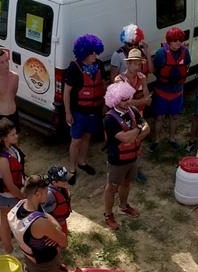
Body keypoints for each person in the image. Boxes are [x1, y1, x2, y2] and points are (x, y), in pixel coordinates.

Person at [102, 81, 149, 231]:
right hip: (117, 160)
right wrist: (139, 129)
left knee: (127, 183)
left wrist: (136, 134)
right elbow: (126, 138)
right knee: (111, 187)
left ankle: (123, 206)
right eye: (123, 99)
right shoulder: (109, 119)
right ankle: (108, 214)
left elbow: (147, 129)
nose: (128, 101)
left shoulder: (132, 110)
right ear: (114, 99)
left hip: (132, 157)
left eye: (129, 97)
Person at [63, 34, 106, 185]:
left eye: (96, 52)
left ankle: (82, 162)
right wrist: (68, 112)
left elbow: (104, 85)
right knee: (75, 140)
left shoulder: (99, 65)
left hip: (94, 111)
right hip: (78, 112)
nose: (95, 55)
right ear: (84, 53)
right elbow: (67, 91)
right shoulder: (74, 68)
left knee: (87, 136)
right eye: (92, 52)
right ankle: (72, 169)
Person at [0, 119, 27, 254]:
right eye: (13, 135)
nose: (16, 136)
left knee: (14, 220)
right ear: (4, 138)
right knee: (5, 220)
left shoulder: (11, 148)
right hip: (8, 196)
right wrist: (23, 197)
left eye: (16, 134)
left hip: (16, 191)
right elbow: (9, 185)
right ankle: (8, 248)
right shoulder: (1, 159)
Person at [150, 27, 191, 153]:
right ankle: (156, 140)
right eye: (174, 40)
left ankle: (172, 139)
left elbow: (187, 65)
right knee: (159, 117)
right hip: (162, 91)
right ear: (169, 41)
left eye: (180, 40)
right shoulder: (161, 53)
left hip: (177, 91)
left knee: (174, 117)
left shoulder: (185, 52)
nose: (178, 43)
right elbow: (154, 69)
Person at [115, 48, 152, 184]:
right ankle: (125, 169)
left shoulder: (141, 78)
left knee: (140, 138)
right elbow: (124, 103)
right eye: (135, 64)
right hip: (124, 117)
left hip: (137, 114)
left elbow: (148, 99)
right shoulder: (119, 80)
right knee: (125, 143)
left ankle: (134, 168)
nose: (138, 67)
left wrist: (143, 89)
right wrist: (142, 101)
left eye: (139, 64)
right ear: (128, 64)